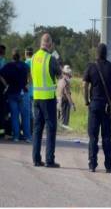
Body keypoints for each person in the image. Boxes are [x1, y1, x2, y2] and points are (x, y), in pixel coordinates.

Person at [83, 43, 111, 173]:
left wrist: (86, 101)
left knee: (93, 137)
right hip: (107, 106)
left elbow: (84, 85)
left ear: (97, 53)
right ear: (106, 54)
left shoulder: (91, 67)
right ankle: (108, 165)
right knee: (106, 137)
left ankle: (92, 165)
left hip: (94, 105)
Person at [31, 33, 61, 168]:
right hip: (48, 99)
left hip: (36, 98)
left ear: (40, 43)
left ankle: (36, 159)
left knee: (37, 129)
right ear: (50, 44)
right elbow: (59, 75)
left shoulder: (33, 58)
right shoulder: (50, 58)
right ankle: (49, 160)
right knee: (51, 129)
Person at [0, 48, 31, 142]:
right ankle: (27, 137)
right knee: (25, 116)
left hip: (12, 93)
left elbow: (0, 75)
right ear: (20, 56)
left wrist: (6, 85)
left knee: (14, 115)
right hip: (23, 92)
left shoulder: (8, 66)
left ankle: (16, 136)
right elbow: (30, 76)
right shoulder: (25, 65)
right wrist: (27, 85)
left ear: (12, 56)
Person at [57, 65, 75, 130]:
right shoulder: (65, 82)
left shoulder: (60, 80)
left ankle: (60, 130)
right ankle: (63, 131)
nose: (70, 76)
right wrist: (72, 104)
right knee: (64, 119)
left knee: (59, 117)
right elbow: (67, 94)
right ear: (66, 74)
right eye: (69, 74)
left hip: (58, 100)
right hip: (64, 101)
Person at [24, 47, 34, 132]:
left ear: (26, 53)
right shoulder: (35, 62)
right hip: (37, 91)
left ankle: (29, 130)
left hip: (28, 90)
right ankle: (34, 130)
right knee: (35, 112)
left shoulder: (26, 63)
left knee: (28, 112)